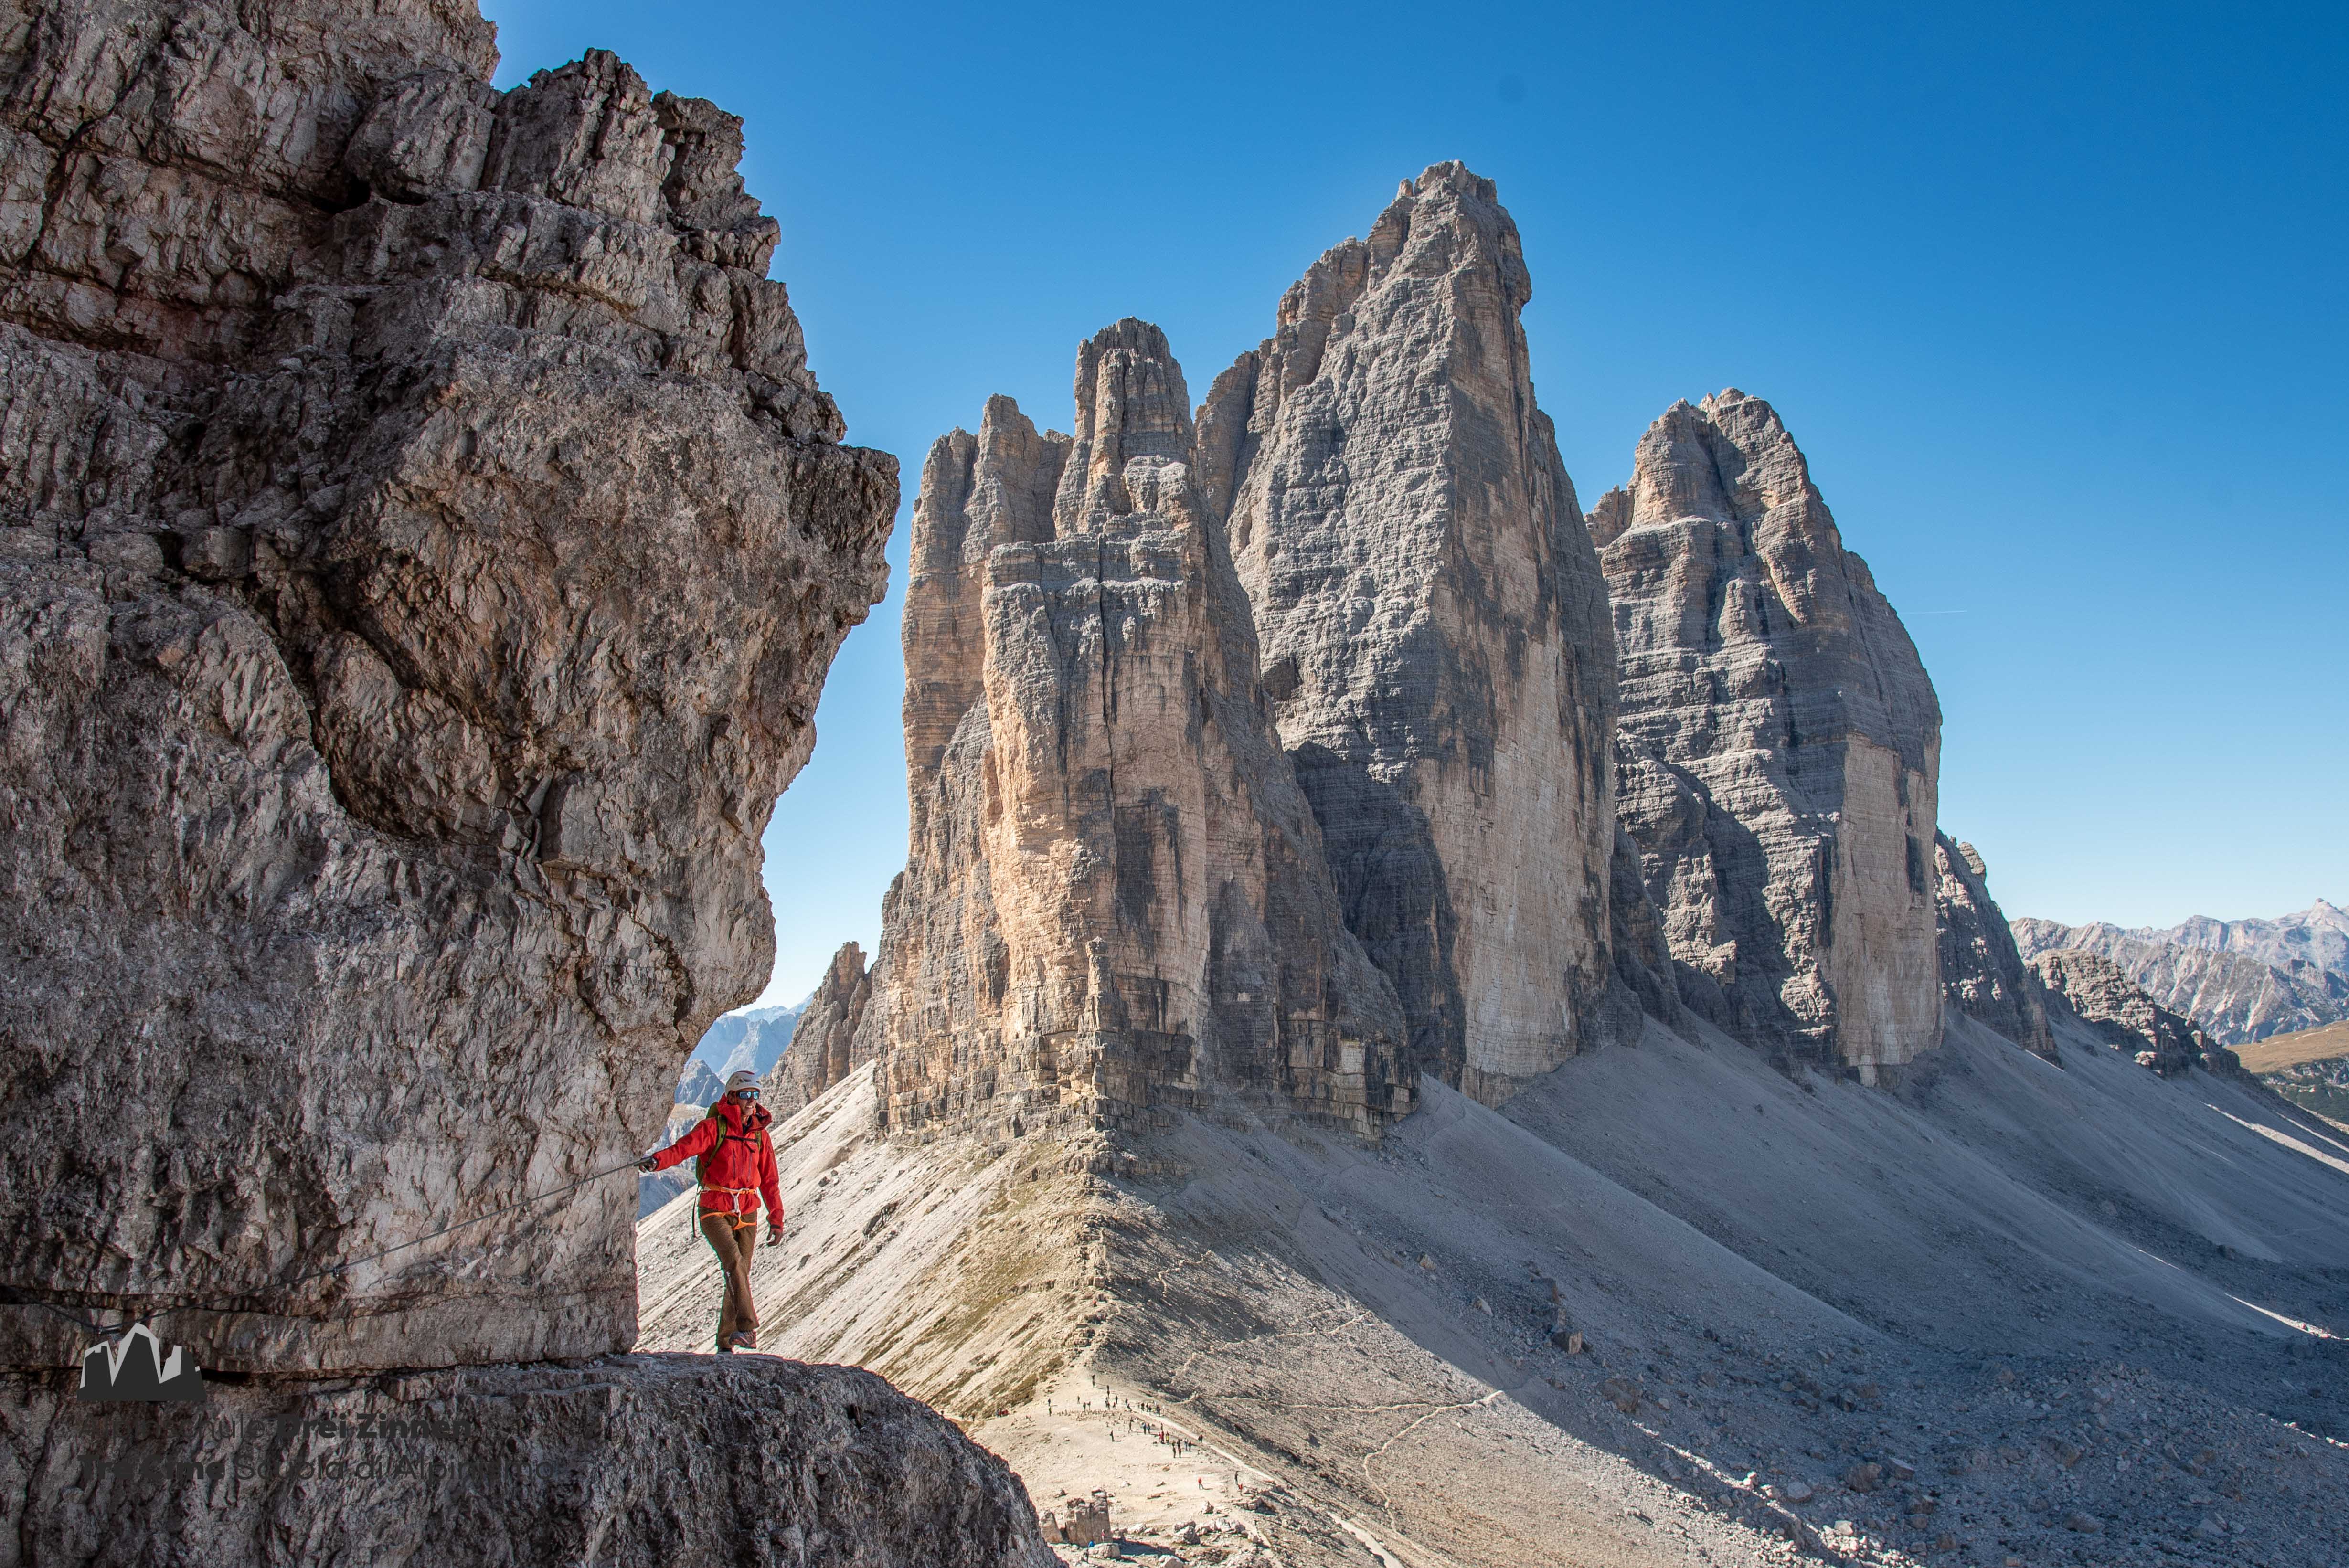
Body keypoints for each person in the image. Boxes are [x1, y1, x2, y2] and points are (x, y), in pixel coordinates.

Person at [640, 1070, 783, 1352]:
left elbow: (769, 1179)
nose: (752, 1101)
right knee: (734, 1263)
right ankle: (747, 1329)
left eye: (755, 1095)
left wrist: (776, 1219)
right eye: (745, 1095)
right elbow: (684, 1149)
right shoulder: (713, 1128)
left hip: (748, 1211)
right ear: (731, 1097)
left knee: (740, 1272)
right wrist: (657, 1161)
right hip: (714, 1208)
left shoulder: (760, 1137)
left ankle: (726, 1344)